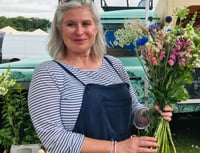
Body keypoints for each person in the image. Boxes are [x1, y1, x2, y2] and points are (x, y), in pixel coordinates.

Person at [27, 0, 173, 152]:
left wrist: (148, 114)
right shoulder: (48, 73)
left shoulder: (114, 65)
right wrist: (118, 148)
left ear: (96, 28)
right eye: (70, 24)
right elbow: (53, 138)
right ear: (59, 29)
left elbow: (133, 110)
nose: (79, 31)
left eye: (86, 23)